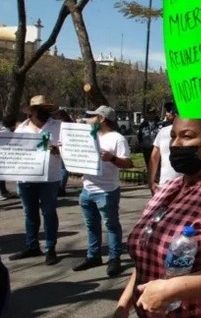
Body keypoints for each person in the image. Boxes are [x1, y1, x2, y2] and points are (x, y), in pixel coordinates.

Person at [105, 117, 201, 318]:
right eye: (173, 136)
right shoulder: (167, 189)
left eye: (188, 136)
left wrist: (172, 289)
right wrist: (123, 309)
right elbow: (147, 257)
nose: (175, 144)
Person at [73, 105, 133, 277]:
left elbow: (128, 163)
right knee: (91, 225)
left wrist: (112, 158)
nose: (89, 119)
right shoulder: (90, 136)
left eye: (93, 117)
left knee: (111, 225)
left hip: (107, 190)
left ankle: (115, 259)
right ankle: (93, 256)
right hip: (87, 189)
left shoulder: (117, 138)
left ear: (102, 119)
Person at [9, 95, 63, 266]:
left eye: (47, 109)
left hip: (49, 177)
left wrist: (56, 150)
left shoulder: (58, 127)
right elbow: (14, 152)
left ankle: (50, 248)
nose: (45, 112)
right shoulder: (21, 129)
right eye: (41, 109)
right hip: (26, 177)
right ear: (32, 112)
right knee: (29, 213)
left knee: (49, 213)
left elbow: (69, 151)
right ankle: (32, 245)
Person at [147, 104, 180, 195]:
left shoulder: (198, 132)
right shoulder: (163, 132)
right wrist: (151, 182)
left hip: (188, 188)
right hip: (165, 185)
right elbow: (154, 158)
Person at [53, 109, 74, 197]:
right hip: (67, 147)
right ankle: (61, 188)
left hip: (62, 147)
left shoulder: (60, 125)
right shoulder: (71, 124)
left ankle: (60, 188)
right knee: (64, 169)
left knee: (62, 169)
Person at [0, 117, 17, 200]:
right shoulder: (9, 133)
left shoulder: (2, 132)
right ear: (13, 125)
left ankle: (3, 192)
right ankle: (2, 193)